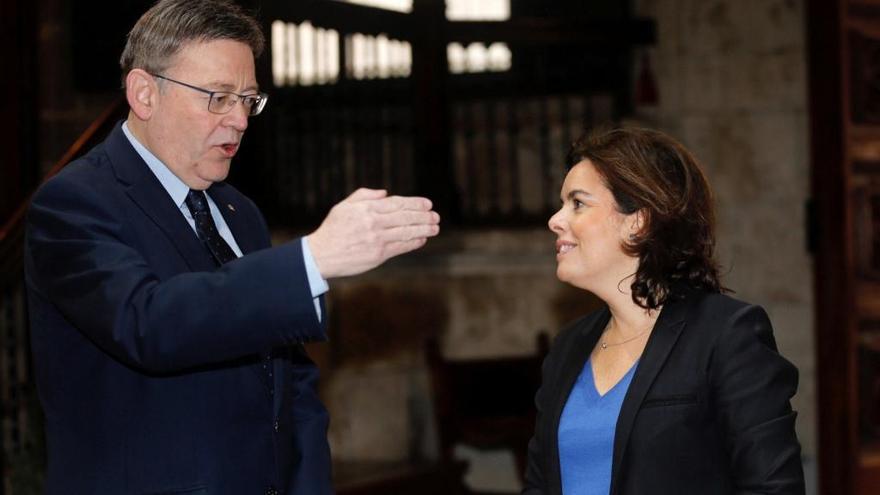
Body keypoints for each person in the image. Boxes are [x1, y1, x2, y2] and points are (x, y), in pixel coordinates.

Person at [23, 1, 440, 494]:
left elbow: (291, 385)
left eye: (248, 99)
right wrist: (313, 260)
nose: (240, 120)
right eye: (218, 97)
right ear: (144, 93)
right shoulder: (74, 203)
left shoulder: (240, 213)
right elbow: (148, 323)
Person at [523, 127, 804, 494]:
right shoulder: (568, 348)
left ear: (637, 221)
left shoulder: (725, 335)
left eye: (577, 203)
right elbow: (539, 486)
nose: (555, 220)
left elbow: (773, 488)